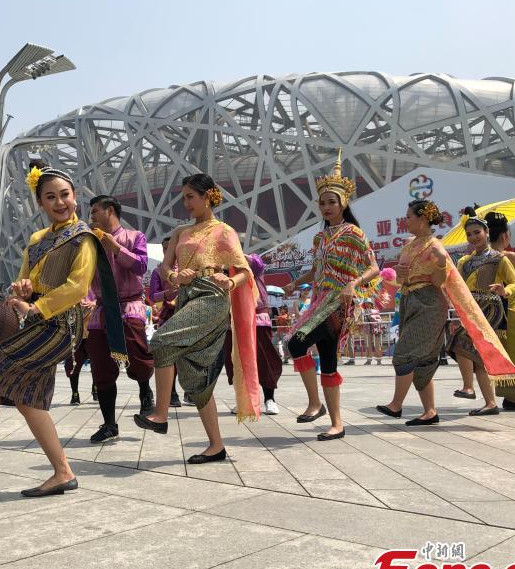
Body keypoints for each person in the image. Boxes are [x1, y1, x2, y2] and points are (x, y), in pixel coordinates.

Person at [0, 162, 126, 496]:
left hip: (60, 325)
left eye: (64, 195)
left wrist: (36, 306)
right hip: (40, 321)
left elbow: (77, 287)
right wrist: (21, 290)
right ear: (40, 204)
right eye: (50, 197)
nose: (59, 202)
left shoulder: (84, 239)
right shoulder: (37, 240)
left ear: (76, 197)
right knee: (29, 401)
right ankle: (63, 472)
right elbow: (24, 281)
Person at [133, 173, 260, 463]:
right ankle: (217, 446)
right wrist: (175, 275)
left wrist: (229, 282)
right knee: (195, 378)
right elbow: (164, 269)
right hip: (186, 296)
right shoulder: (180, 232)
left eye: (191, 196)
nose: (186, 202)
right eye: (184, 197)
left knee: (162, 341)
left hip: (212, 296)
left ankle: (161, 414)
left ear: (208, 197)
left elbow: (244, 271)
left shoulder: (225, 231)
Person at [283, 152, 380, 441]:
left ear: (343, 203)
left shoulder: (353, 233)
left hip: (340, 302)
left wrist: (354, 284)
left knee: (297, 341)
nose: (326, 207)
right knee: (326, 358)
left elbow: (374, 268)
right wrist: (296, 283)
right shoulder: (320, 237)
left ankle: (316, 404)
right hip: (318, 301)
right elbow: (316, 270)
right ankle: (336, 422)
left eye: (332, 202)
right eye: (323, 203)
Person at [85, 195, 155, 443]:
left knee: (137, 355)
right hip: (101, 310)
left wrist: (116, 248)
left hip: (129, 306)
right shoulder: (90, 242)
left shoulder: (135, 237)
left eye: (95, 211)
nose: (91, 216)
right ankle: (109, 424)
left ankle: (145, 391)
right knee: (100, 368)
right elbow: (82, 275)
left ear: (110, 210)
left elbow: (141, 266)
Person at [376, 200, 450, 424]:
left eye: (409, 216)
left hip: (429, 302)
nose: (405, 220)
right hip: (409, 300)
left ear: (423, 219)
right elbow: (402, 279)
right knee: (424, 360)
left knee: (404, 353)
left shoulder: (435, 247)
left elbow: (438, 283)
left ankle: (396, 405)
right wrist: (399, 273)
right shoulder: (408, 245)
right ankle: (430, 412)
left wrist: (440, 265)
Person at [447, 208, 515, 414]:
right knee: (478, 357)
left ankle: (468, 387)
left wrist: (504, 290)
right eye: (469, 234)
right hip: (472, 309)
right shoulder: (464, 261)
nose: (473, 237)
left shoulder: (500, 258)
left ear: (487, 232)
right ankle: (490, 403)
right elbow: (458, 286)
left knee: (460, 340)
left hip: (491, 308)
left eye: (477, 232)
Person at [486, 212, 515, 408]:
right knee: (514, 351)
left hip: (488, 311)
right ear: (505, 235)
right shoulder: (509, 256)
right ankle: (511, 396)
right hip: (509, 310)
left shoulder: (480, 258)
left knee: (493, 353)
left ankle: (490, 396)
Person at [226, 254, 282, 415]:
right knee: (235, 361)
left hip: (257, 317)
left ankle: (269, 399)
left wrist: (235, 253)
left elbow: (257, 264)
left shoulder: (252, 261)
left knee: (264, 359)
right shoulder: (224, 266)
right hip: (233, 319)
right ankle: (243, 400)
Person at [148, 236, 182, 407]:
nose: (168, 251)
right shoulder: (158, 271)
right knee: (169, 355)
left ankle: (193, 391)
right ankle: (172, 392)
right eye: (165, 248)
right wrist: (167, 294)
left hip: (187, 314)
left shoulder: (188, 268)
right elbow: (152, 296)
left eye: (171, 248)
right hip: (168, 316)